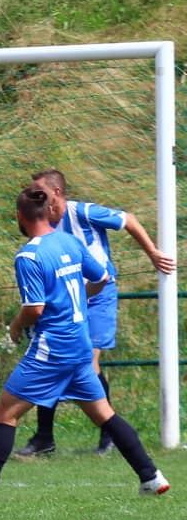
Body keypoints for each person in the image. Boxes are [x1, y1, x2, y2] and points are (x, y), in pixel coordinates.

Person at [0, 185, 169, 504]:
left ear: (20, 216)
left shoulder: (28, 256)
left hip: (52, 349)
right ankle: (151, 476)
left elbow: (35, 309)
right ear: (48, 212)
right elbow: (102, 277)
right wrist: (78, 299)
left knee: (4, 413)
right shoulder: (69, 241)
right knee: (104, 414)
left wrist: (15, 325)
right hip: (80, 344)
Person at [16, 169, 176, 456]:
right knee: (53, 358)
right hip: (68, 298)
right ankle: (45, 438)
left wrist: (152, 253)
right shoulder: (44, 225)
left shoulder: (83, 212)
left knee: (88, 362)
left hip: (99, 294)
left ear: (57, 193)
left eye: (41, 190)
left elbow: (128, 219)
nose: (36, 195)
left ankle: (107, 435)